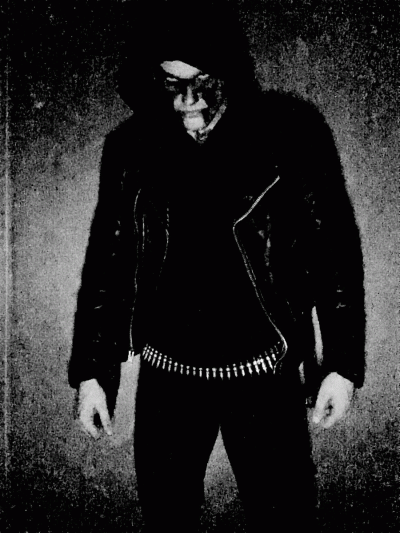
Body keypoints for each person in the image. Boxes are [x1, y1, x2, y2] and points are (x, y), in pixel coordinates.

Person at [68, 2, 365, 531]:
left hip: (263, 375)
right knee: (167, 518)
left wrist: (342, 364)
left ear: (230, 75)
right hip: (168, 377)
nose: (187, 101)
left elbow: (333, 252)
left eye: (202, 82)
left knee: (285, 519)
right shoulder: (131, 150)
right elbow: (108, 264)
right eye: (170, 83)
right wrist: (94, 373)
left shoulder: (290, 135)